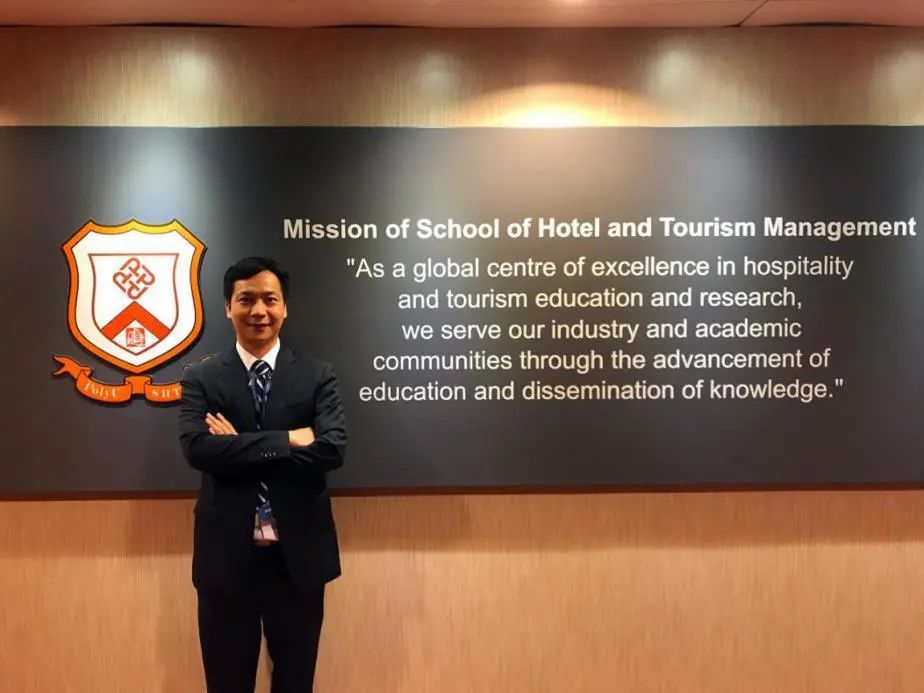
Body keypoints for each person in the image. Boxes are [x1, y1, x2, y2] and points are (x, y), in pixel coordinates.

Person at [178, 256, 346, 693]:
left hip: (298, 560)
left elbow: (331, 450)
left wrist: (236, 447)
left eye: (269, 299)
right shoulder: (201, 377)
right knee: (226, 683)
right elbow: (198, 449)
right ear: (228, 307)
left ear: (284, 307)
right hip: (226, 560)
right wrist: (289, 439)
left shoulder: (317, 375)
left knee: (295, 683)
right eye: (246, 299)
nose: (259, 310)